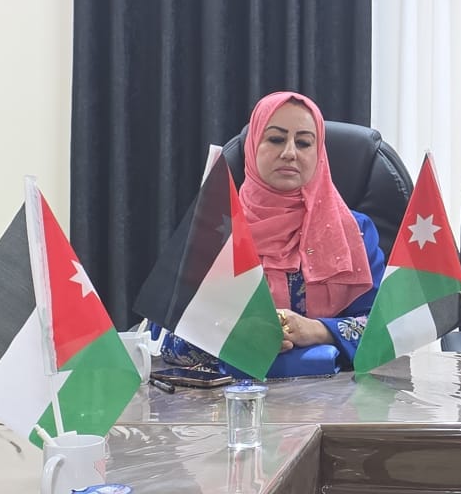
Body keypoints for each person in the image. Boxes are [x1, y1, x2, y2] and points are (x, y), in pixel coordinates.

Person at [160, 91, 384, 371]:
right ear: (253, 146)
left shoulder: (355, 231)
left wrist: (317, 330)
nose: (289, 153)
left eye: (304, 143)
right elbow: (167, 343)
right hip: (233, 391)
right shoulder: (215, 229)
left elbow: (384, 330)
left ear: (319, 155)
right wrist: (229, 335)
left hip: (335, 392)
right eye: (276, 139)